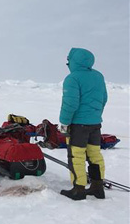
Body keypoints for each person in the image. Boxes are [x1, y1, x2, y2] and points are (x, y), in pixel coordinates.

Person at [59, 47, 108, 200]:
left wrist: (64, 123)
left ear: (73, 62)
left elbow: (70, 103)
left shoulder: (72, 78)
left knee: (76, 156)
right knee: (95, 155)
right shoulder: (98, 76)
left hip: (78, 125)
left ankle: (78, 189)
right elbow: (103, 99)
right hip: (95, 124)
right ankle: (97, 187)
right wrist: (95, 115)